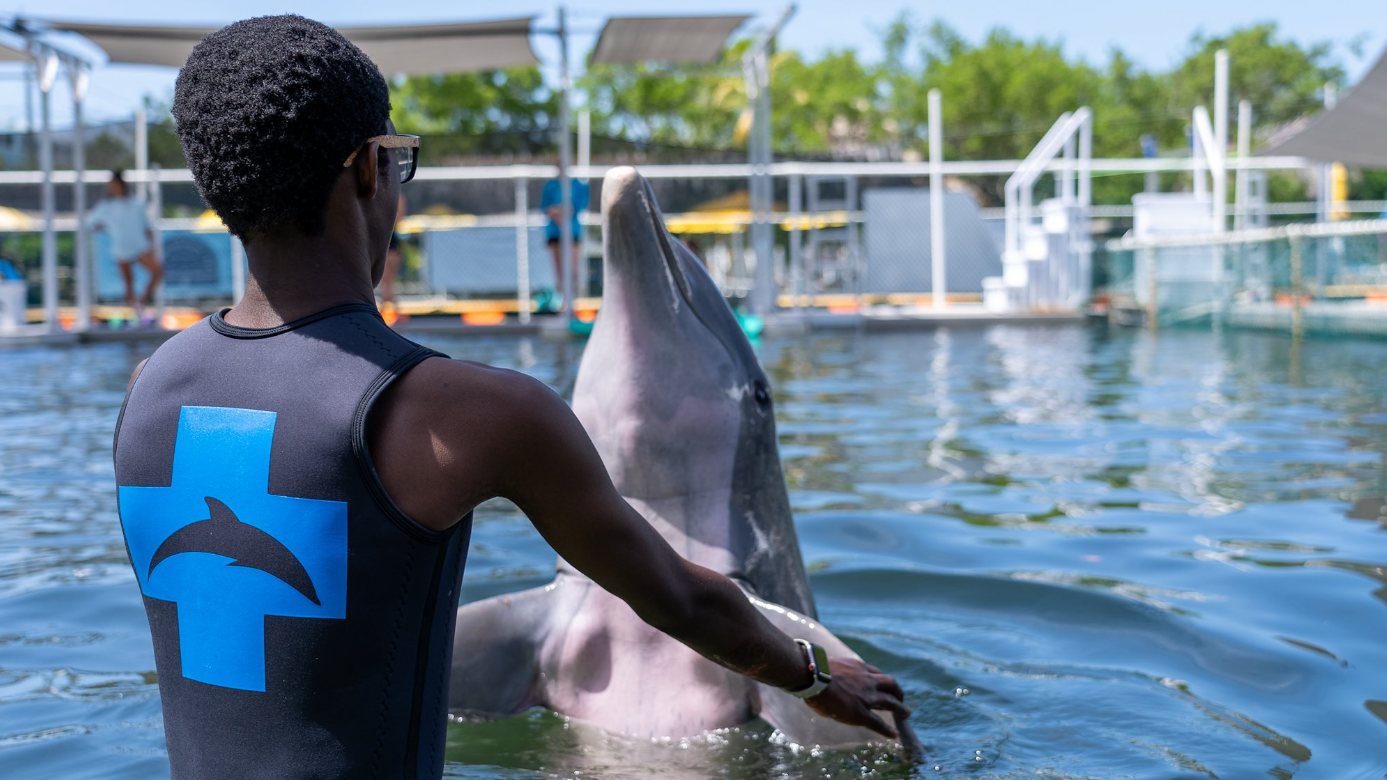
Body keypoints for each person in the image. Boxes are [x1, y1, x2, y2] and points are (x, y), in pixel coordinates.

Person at [113, 16, 908, 780]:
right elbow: (676, 601)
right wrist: (811, 677)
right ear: (367, 169)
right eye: (399, 159)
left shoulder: (150, 390)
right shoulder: (468, 412)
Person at [88, 170, 163, 323]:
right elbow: (91, 222)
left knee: (157, 271)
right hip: (121, 247)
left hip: (140, 245)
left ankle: (142, 302)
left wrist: (152, 245)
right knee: (129, 283)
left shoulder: (135, 203)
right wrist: (105, 227)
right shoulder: (106, 206)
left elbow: (146, 226)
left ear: (121, 185)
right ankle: (135, 314)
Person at [540, 174, 589, 312]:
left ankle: (570, 301)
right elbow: (545, 207)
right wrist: (557, 214)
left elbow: (578, 207)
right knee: (560, 270)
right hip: (555, 233)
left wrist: (564, 214)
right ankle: (563, 302)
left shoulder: (578, 186)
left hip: (572, 233)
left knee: (572, 269)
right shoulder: (551, 185)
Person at [379, 192, 407, 321]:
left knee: (388, 281)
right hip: (388, 242)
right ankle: (391, 309)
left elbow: (398, 218)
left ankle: (391, 310)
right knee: (387, 282)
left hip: (390, 242)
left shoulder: (396, 196)